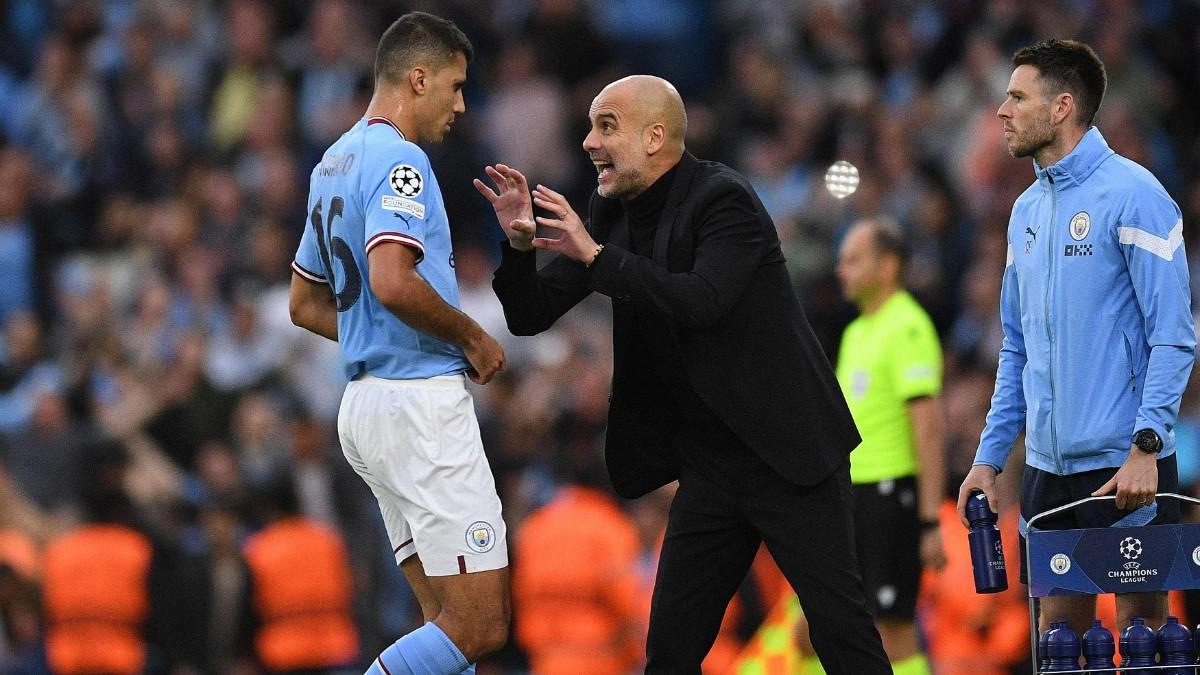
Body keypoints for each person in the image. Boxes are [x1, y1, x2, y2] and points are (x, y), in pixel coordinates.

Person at [476, 74, 890, 674]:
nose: (589, 141)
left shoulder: (725, 199)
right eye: (590, 125)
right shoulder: (610, 212)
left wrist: (595, 258)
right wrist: (519, 248)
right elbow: (530, 314)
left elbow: (703, 301)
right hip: (711, 466)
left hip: (789, 455)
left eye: (607, 126)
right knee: (670, 647)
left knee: (839, 631)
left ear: (655, 136)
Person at [288, 12, 509, 675]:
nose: (460, 104)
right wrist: (471, 334)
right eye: (456, 85)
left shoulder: (333, 161)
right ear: (419, 78)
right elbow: (390, 278)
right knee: (481, 622)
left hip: (365, 408)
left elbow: (304, 303)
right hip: (419, 407)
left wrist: (378, 331)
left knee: (441, 623)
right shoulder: (400, 159)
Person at [957, 38, 1196, 640]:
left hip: (1126, 465)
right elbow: (1016, 349)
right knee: (1060, 644)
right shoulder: (1025, 211)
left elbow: (1173, 335)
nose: (1002, 111)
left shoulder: (1135, 195)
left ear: (1062, 106)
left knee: (1144, 639)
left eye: (1017, 96)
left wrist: (1147, 443)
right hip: (1047, 471)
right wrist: (989, 459)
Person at [795, 218, 947, 675]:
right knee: (815, 628)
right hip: (849, 498)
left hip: (890, 495)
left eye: (854, 260)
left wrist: (927, 522)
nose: (841, 270)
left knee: (892, 630)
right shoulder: (859, 330)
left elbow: (929, 430)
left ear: (889, 265)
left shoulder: (908, 327)